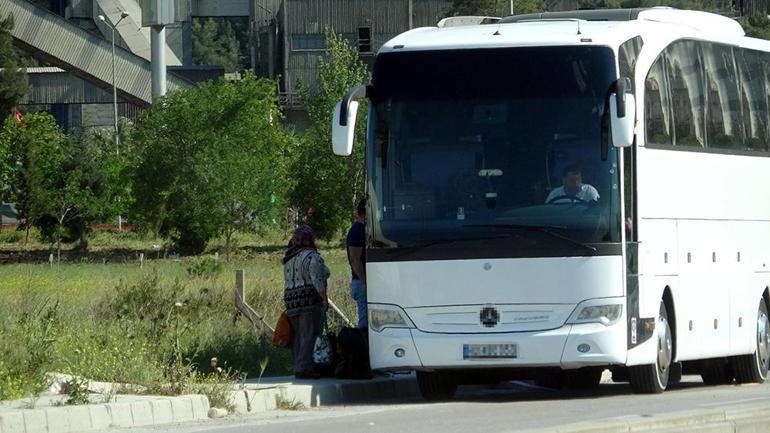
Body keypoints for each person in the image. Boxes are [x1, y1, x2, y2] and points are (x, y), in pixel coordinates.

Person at [282, 225, 329, 379]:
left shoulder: (288, 258)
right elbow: (318, 280)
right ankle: (305, 368)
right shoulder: (312, 256)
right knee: (309, 334)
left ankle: (298, 366)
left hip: (291, 300)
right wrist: (324, 298)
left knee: (298, 336)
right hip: (308, 300)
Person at [346, 199, 367, 328]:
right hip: (360, 283)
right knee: (364, 324)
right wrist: (364, 282)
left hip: (362, 282)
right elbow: (355, 259)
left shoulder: (362, 229)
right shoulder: (357, 231)